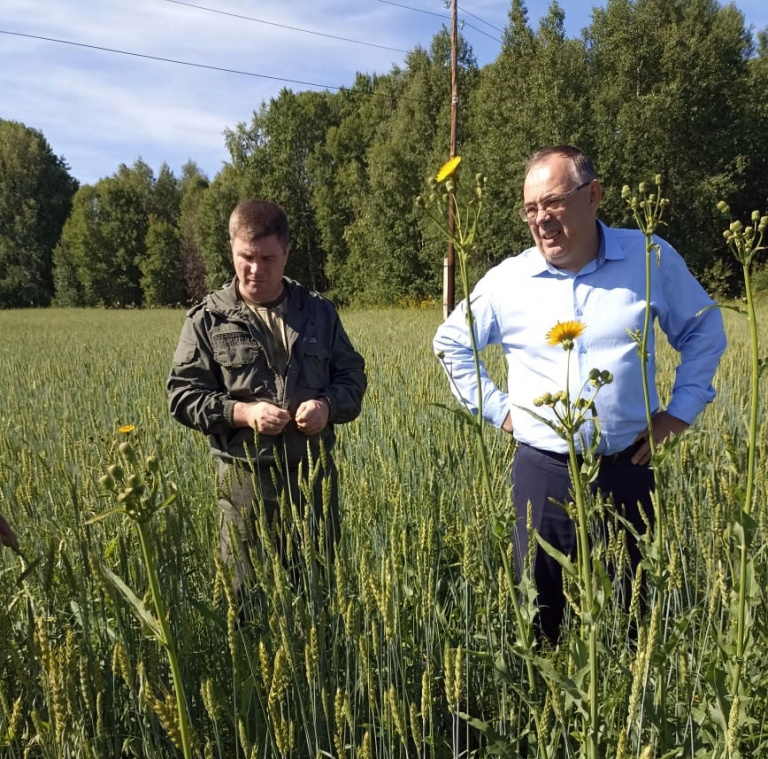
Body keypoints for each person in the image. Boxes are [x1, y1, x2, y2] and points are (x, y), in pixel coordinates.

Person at [433, 145, 726, 643]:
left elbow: (704, 329)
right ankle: (548, 710)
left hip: (628, 467)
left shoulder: (649, 257)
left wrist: (678, 414)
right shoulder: (509, 280)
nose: (541, 220)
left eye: (552, 203)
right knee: (539, 615)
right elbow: (451, 342)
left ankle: (629, 716)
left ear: (593, 196)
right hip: (541, 473)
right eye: (530, 208)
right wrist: (503, 412)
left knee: (634, 619)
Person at [168, 199, 366, 595]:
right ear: (232, 248)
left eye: (268, 258)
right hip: (245, 486)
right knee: (244, 602)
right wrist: (241, 412)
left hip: (313, 482)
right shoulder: (207, 319)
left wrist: (327, 406)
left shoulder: (319, 313)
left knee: (318, 596)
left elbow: (351, 376)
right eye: (246, 257)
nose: (255, 269)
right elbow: (182, 395)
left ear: (287, 252)